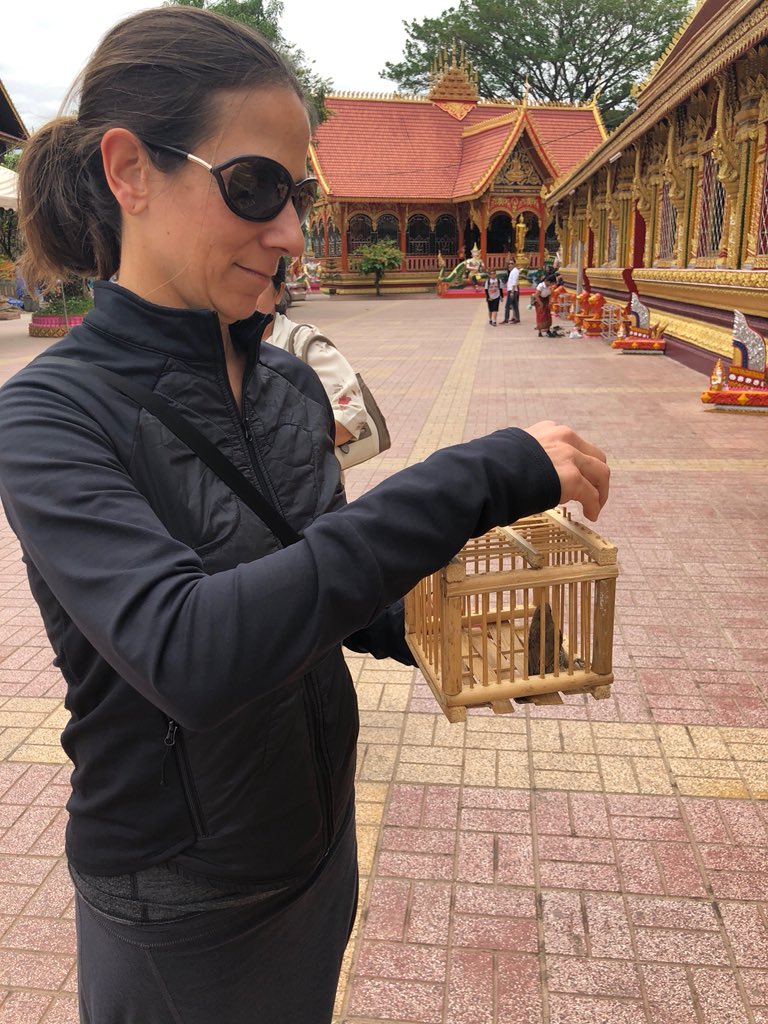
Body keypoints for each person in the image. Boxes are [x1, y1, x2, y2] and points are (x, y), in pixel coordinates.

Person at [0, 8, 610, 1023]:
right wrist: (478, 475)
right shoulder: (48, 416)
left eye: (299, 195)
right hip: (179, 894)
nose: (288, 233)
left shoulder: (287, 385)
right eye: (254, 188)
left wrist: (455, 626)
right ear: (130, 171)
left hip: (315, 845)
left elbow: (320, 581)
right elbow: (189, 650)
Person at [257, 258, 365, 447]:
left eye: (257, 285)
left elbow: (351, 414)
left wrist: (290, 451)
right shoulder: (219, 346)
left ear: (278, 292)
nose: (243, 294)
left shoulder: (301, 342)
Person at [535, 272, 557, 337]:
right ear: (548, 281)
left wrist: (550, 302)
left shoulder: (550, 287)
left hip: (546, 300)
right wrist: (541, 304)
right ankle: (540, 331)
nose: (552, 284)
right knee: (541, 316)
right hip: (540, 300)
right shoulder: (541, 286)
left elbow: (550, 295)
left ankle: (548, 330)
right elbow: (536, 296)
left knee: (547, 315)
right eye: (552, 283)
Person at [502, 257, 520, 324]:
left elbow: (514, 282)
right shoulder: (512, 271)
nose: (510, 265)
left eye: (511, 263)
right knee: (515, 305)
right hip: (512, 290)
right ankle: (517, 319)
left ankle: (506, 319)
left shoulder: (515, 271)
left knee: (507, 305)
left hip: (512, 290)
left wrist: (512, 291)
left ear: (514, 264)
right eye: (509, 264)